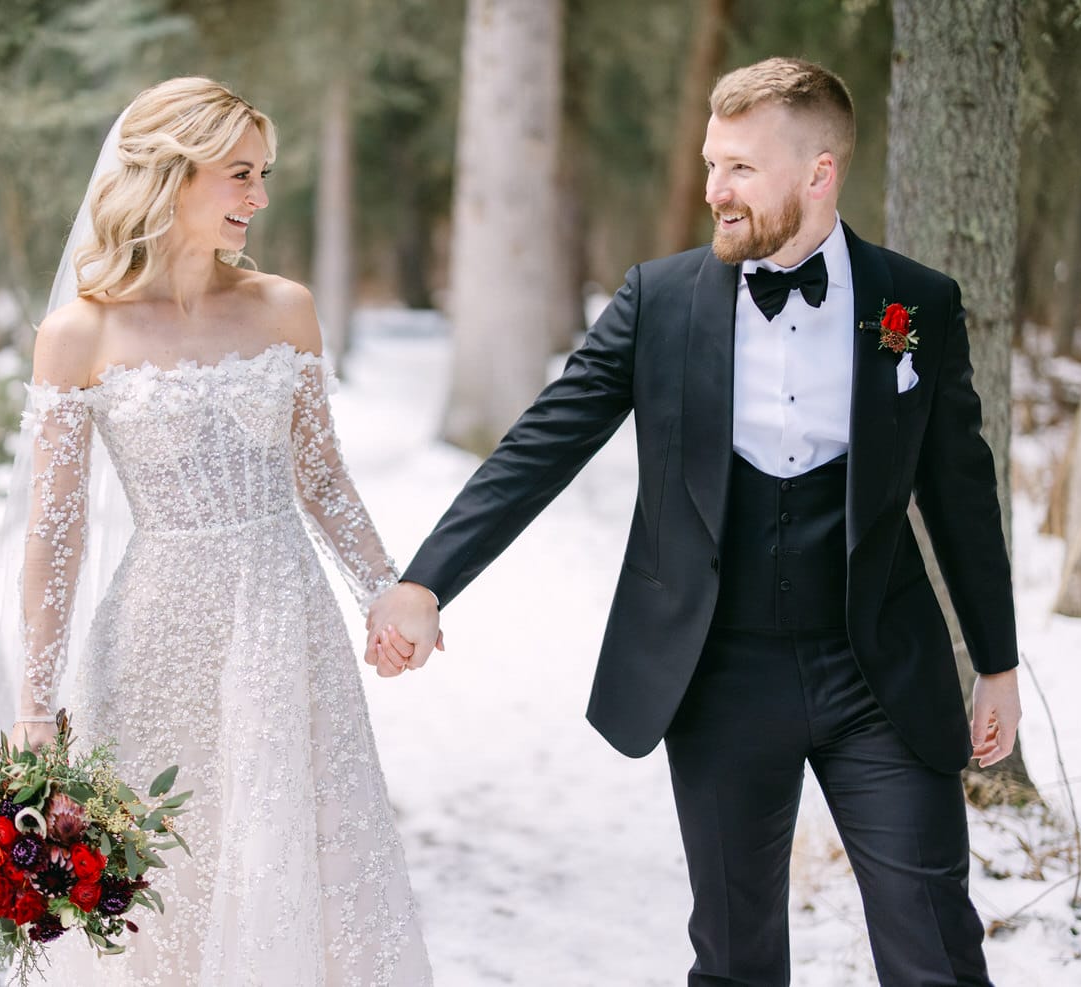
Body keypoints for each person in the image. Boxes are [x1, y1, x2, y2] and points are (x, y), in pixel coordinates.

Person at [367, 57, 1020, 986]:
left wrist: (996, 662)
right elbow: (542, 445)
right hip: (719, 672)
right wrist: (428, 578)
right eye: (712, 163)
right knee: (736, 952)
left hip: (878, 671)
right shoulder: (659, 299)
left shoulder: (914, 303)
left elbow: (959, 489)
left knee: (935, 947)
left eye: (742, 168)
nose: (714, 189)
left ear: (819, 172)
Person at [0, 77, 431, 985]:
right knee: (170, 886)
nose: (259, 197)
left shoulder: (284, 308)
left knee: (296, 860)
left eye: (262, 175)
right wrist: (34, 708)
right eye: (240, 174)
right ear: (171, 176)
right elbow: (53, 536)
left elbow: (322, 477)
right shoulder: (78, 334)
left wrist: (383, 588)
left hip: (286, 624)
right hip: (156, 638)